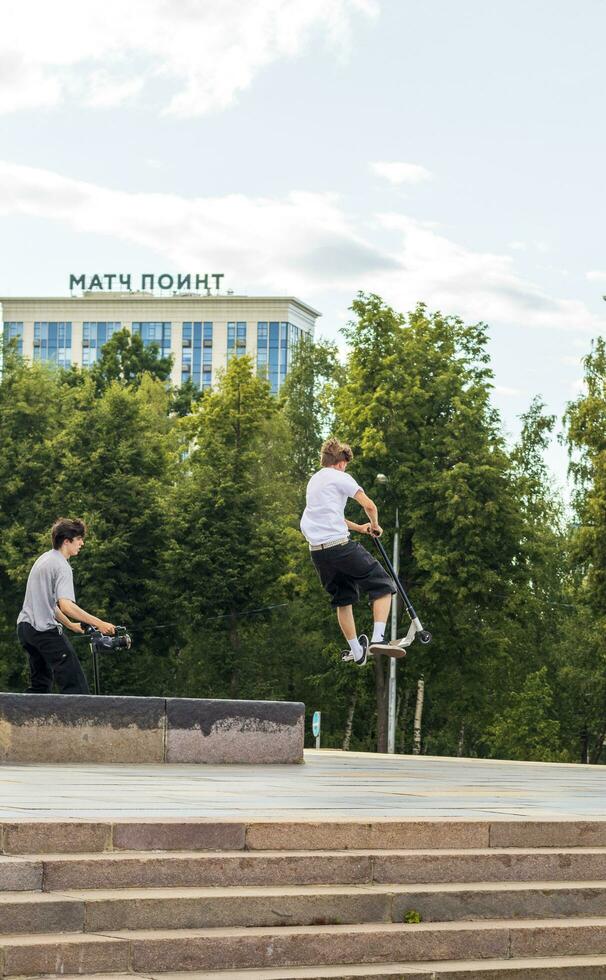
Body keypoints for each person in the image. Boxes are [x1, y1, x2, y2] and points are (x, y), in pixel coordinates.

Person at [300, 437, 402, 666]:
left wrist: (360, 528)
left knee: (343, 599)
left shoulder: (314, 481)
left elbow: (332, 517)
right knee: (383, 584)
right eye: (345, 463)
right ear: (340, 462)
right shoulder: (341, 477)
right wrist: (374, 525)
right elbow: (369, 505)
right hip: (340, 548)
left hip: (318, 553)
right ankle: (378, 639)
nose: (346, 468)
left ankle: (357, 652)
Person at [17, 517, 116, 694]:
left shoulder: (44, 559)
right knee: (75, 683)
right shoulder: (61, 565)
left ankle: (18, 720)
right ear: (66, 541)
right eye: (79, 539)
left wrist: (71, 626)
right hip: (43, 631)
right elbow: (66, 606)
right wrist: (99, 623)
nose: (82, 543)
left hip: (26, 629)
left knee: (40, 685)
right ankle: (80, 720)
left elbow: (49, 605)